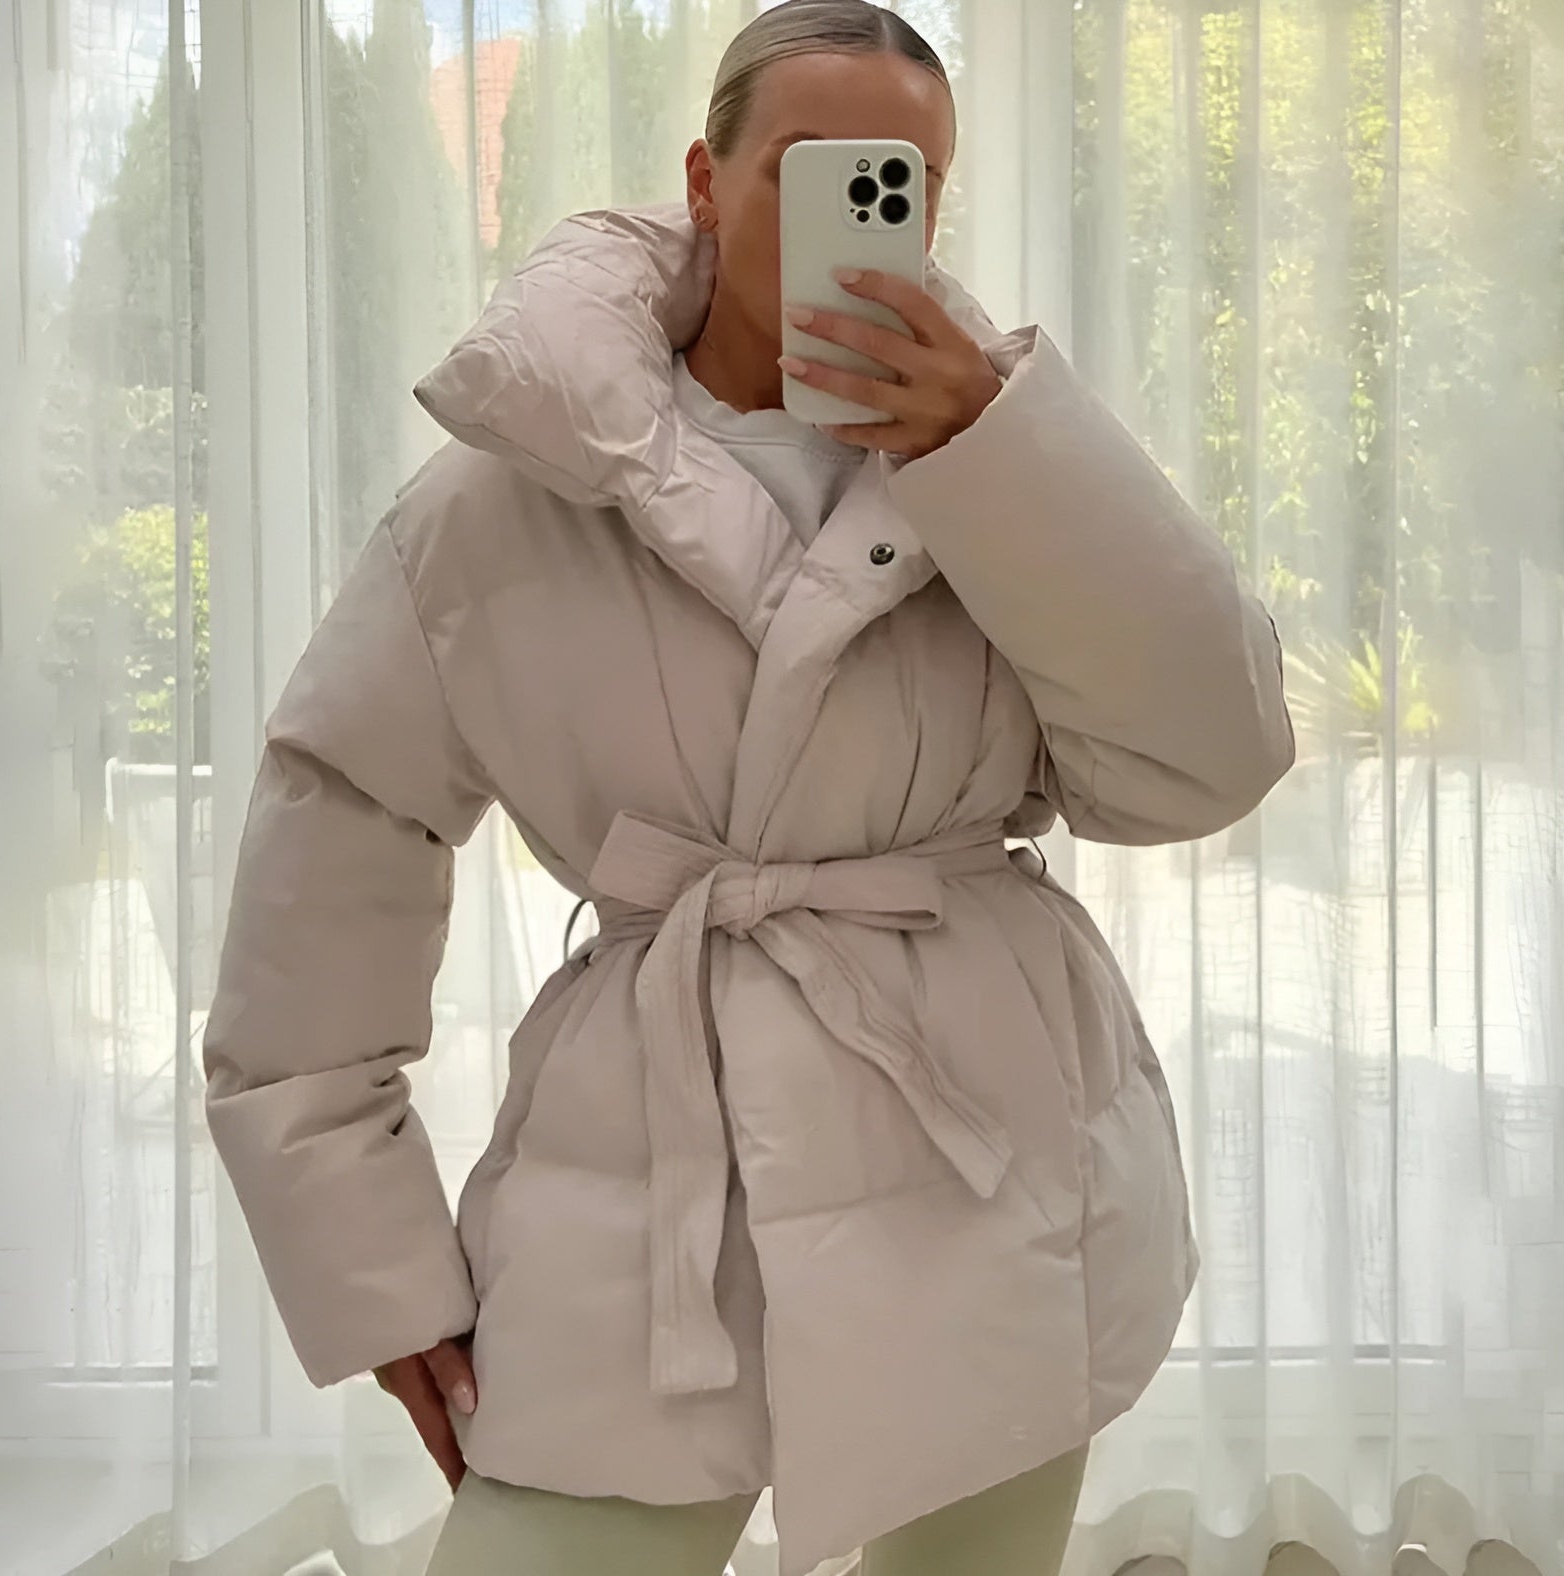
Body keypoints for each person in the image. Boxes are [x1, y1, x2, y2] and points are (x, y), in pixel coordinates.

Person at [202, 3, 1294, 1573]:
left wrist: (1006, 459)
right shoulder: (508, 491)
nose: (869, 207)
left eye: (907, 179)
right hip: (645, 1176)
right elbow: (336, 843)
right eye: (815, 167)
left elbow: (1209, 758)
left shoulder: (1001, 474)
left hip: (985, 1159)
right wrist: (369, 1267)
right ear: (707, 182)